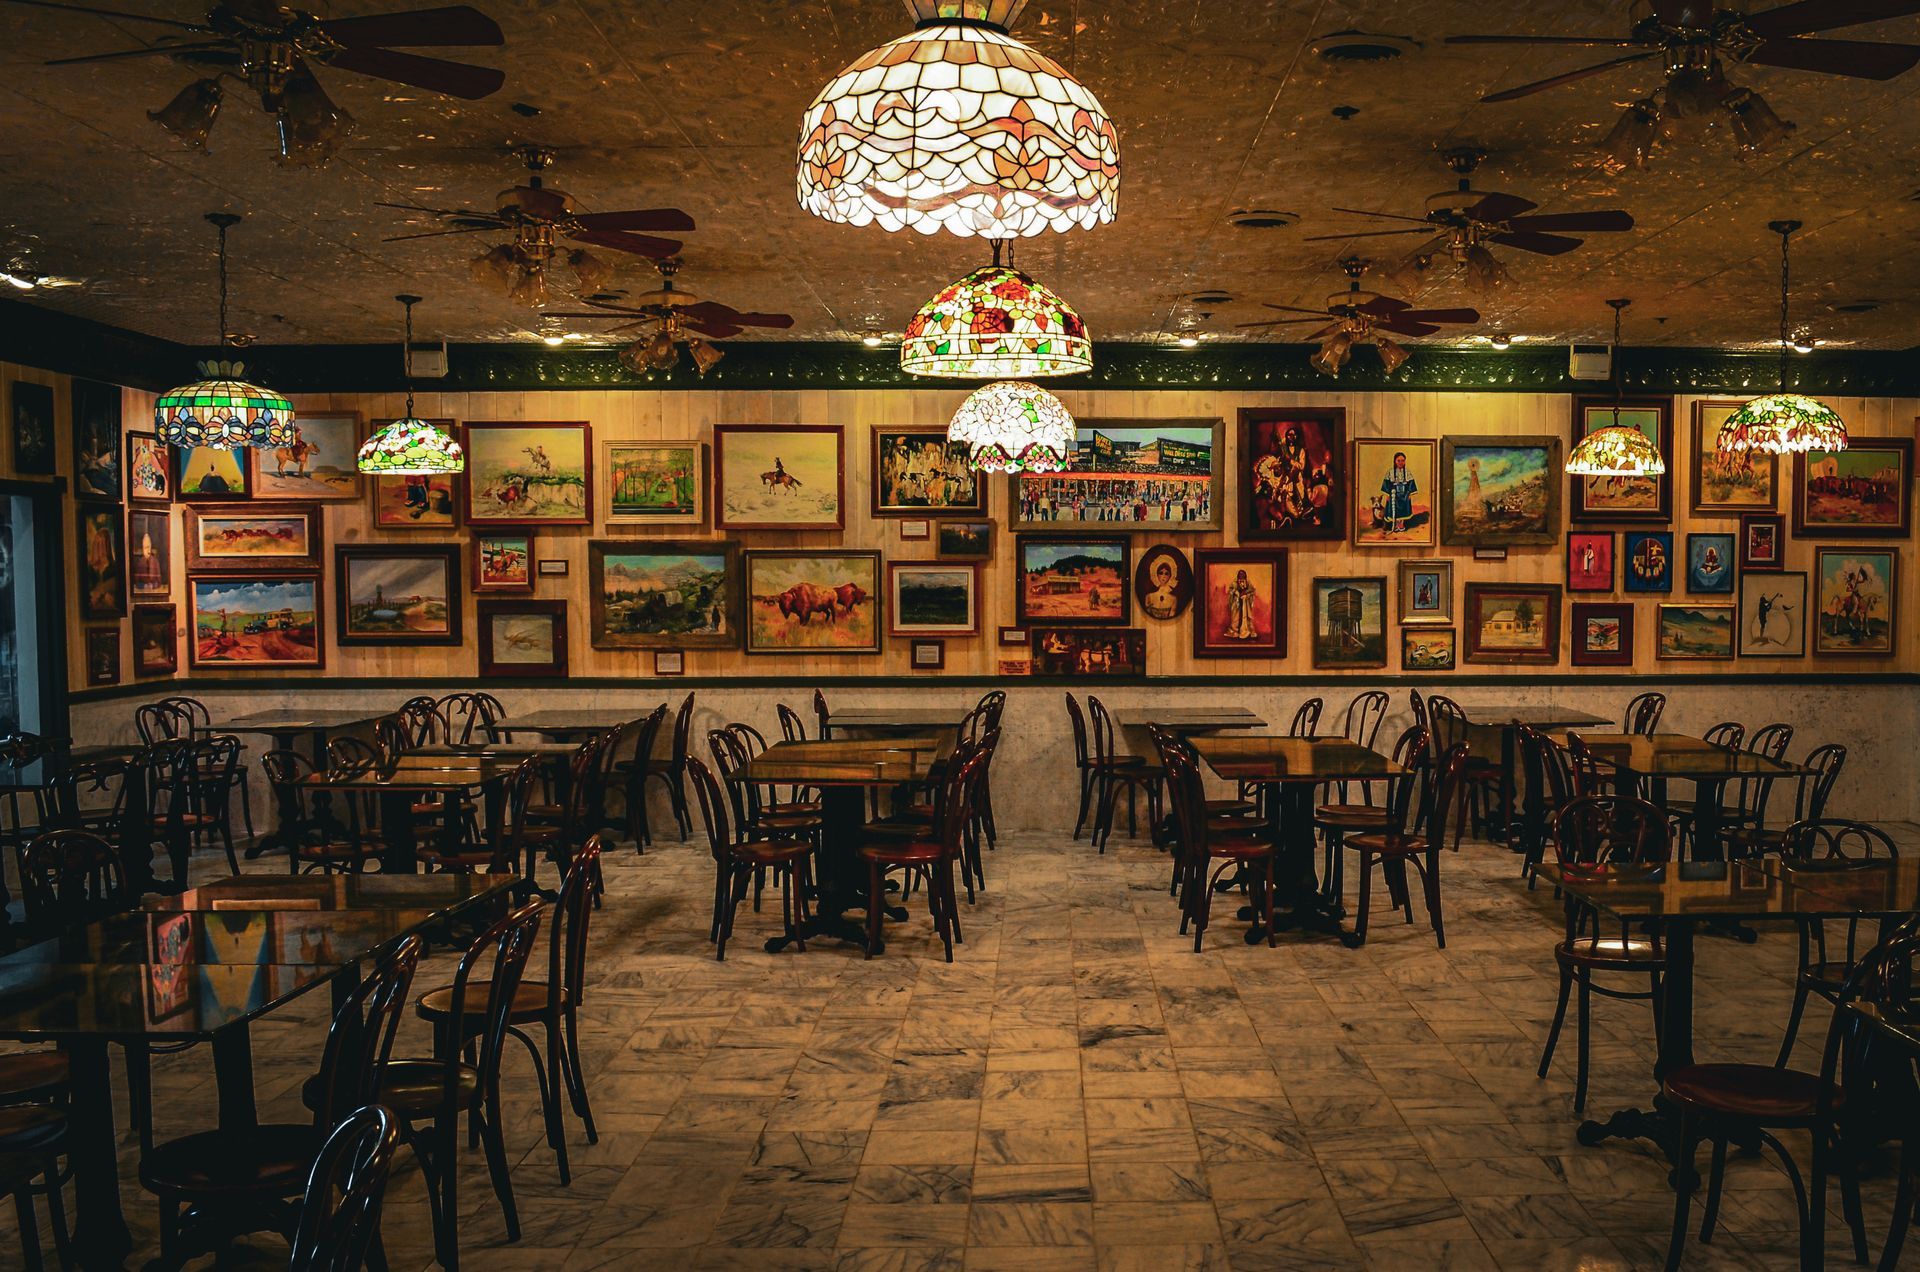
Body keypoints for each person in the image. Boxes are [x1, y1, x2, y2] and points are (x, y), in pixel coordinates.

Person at [1380, 450, 1417, 535]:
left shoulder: (1407, 472)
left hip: (1404, 494)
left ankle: (1401, 524)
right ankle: (1396, 524)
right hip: (1394, 494)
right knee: (1394, 509)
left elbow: (1411, 484)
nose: (1401, 462)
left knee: (1403, 509)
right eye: (1398, 460)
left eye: (1403, 460)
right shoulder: (1390, 472)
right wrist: (1388, 495)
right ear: (1395, 461)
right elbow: (1386, 484)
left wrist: (1410, 494)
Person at [1225, 568, 1258, 640]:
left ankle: (1245, 631)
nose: (1241, 577)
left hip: (1245, 603)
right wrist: (1235, 592)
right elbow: (1230, 590)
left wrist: (1247, 596)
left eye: (1243, 576)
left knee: (1246, 617)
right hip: (1236, 603)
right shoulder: (1234, 583)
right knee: (1235, 617)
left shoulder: (1248, 583)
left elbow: (1253, 591)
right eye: (1240, 576)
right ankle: (1234, 631)